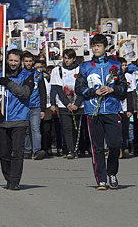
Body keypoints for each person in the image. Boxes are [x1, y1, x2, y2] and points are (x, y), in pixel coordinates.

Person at [73, 35, 126, 190]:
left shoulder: (115, 65)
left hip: (112, 109)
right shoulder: (85, 67)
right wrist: (93, 92)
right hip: (93, 112)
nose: (96, 48)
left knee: (115, 144)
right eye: (94, 46)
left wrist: (112, 89)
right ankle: (101, 178)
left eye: (99, 46)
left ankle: (112, 173)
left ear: (105, 47)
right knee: (97, 147)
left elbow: (123, 87)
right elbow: (78, 88)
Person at [0, 49, 34, 191]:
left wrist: (8, 83)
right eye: (11, 60)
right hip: (2, 120)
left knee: (17, 152)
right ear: (6, 60)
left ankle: (15, 181)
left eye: (16, 60)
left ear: (20, 61)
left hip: (19, 119)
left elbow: (25, 93)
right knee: (3, 152)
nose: (13, 63)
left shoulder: (27, 75)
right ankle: (8, 178)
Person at [49, 48, 82, 158]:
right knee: (67, 128)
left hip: (78, 104)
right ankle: (70, 150)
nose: (66, 61)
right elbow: (58, 88)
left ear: (74, 59)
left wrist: (76, 104)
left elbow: (83, 88)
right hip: (64, 104)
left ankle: (76, 149)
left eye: (69, 58)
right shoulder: (58, 70)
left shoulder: (80, 70)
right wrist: (67, 104)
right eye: (65, 58)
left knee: (76, 128)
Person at [21, 51, 47, 160]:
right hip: (23, 106)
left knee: (35, 128)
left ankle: (37, 150)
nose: (28, 63)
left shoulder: (38, 74)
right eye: (26, 61)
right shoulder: (20, 74)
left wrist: (43, 108)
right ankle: (27, 150)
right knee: (25, 129)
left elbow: (42, 92)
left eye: (30, 61)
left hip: (35, 106)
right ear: (23, 62)